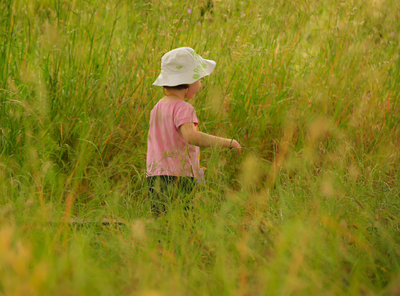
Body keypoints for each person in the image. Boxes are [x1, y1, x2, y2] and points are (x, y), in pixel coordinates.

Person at [147, 47, 241, 216]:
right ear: (189, 81)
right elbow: (191, 136)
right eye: (199, 79)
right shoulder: (184, 108)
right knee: (184, 223)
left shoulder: (157, 108)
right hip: (179, 177)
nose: (201, 84)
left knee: (162, 224)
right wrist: (227, 142)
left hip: (155, 176)